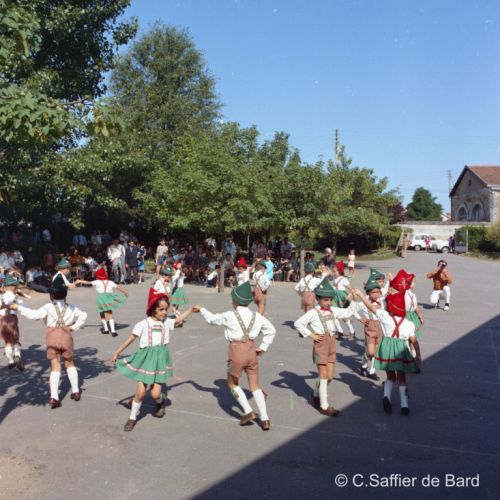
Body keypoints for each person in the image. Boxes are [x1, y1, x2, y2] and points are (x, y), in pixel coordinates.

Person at [111, 288, 200, 431]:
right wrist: (117, 352)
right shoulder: (142, 324)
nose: (164, 312)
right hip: (145, 359)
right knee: (140, 392)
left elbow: (178, 319)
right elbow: (131, 339)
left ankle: (160, 402)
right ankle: (132, 417)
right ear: (153, 309)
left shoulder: (167, 322)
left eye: (166, 309)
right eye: (161, 309)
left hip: (160, 359)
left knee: (155, 394)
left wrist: (190, 310)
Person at [200, 281, 276, 430]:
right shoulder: (256, 316)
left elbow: (211, 319)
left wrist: (202, 309)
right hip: (251, 350)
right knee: (255, 386)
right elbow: (271, 330)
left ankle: (248, 411)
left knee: (232, 383)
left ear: (234, 301)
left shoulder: (230, 315)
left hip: (236, 351)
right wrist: (263, 347)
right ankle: (265, 419)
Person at [12, 275, 87, 408]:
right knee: (70, 363)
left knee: (55, 366)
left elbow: (33, 315)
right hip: (66, 335)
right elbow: (84, 315)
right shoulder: (72, 307)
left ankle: (54, 398)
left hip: (52, 336)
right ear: (65, 295)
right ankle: (76, 392)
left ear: (51, 296)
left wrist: (19, 307)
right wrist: (73, 327)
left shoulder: (48, 307)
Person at [294, 277, 354, 416]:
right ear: (318, 299)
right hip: (320, 344)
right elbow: (298, 323)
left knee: (330, 377)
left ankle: (315, 393)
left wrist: (354, 299)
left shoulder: (333, 310)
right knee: (323, 376)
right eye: (326, 300)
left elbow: (347, 312)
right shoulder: (313, 312)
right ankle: (324, 406)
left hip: (332, 343)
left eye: (330, 300)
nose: (329, 303)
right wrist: (311, 334)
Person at [356, 290, 421, 415]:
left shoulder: (385, 317)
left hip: (386, 349)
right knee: (401, 378)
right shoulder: (408, 323)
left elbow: (370, 307)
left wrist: (361, 295)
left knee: (390, 376)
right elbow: (413, 340)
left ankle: (386, 396)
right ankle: (404, 405)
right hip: (401, 350)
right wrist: (418, 354)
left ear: (390, 308)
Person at [76, 267, 128, 336]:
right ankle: (113, 331)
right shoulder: (110, 282)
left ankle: (106, 329)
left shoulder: (97, 282)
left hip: (101, 299)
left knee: (102, 313)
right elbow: (118, 287)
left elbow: (88, 283)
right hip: (109, 298)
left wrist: (80, 281)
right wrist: (125, 292)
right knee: (110, 313)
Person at [350, 276, 383, 381]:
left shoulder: (382, 301)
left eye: (378, 292)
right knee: (370, 352)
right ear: (368, 293)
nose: (376, 294)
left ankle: (371, 371)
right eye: (373, 292)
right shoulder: (364, 303)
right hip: (370, 328)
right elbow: (352, 309)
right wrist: (360, 318)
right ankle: (364, 363)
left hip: (380, 328)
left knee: (376, 352)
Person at [0, 274, 25, 370]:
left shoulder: (1, 297)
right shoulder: (16, 297)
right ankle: (17, 355)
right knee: (15, 340)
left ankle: (11, 361)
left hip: (2, 320)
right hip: (12, 321)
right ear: (14, 287)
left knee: (7, 342)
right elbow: (24, 307)